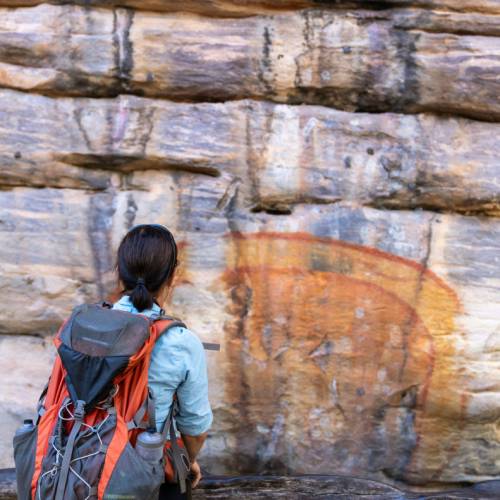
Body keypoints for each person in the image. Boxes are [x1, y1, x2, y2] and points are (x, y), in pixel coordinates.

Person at [111, 223, 213, 499]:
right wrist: (186, 461)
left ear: (119, 272)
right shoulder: (179, 340)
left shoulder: (81, 326)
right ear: (172, 276)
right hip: (144, 478)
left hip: (75, 471)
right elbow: (195, 429)